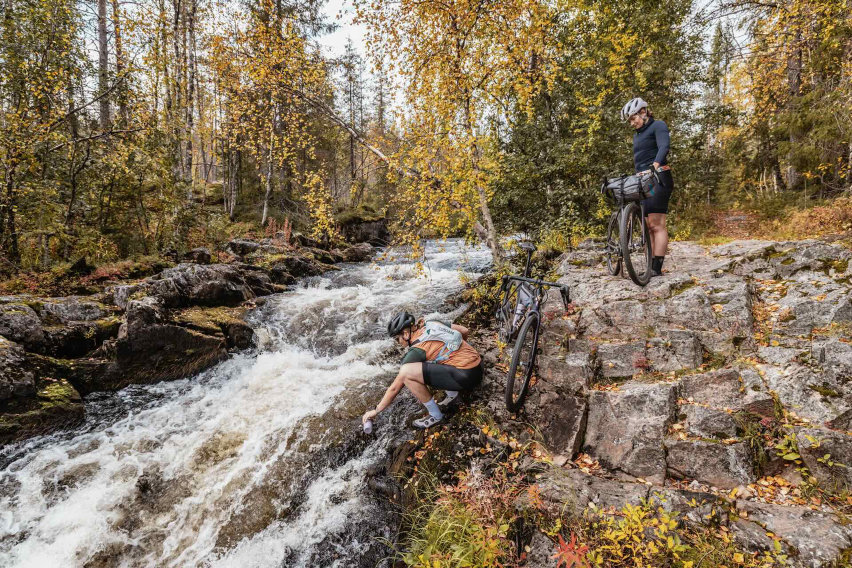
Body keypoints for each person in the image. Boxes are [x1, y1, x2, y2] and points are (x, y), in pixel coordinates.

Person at [362, 312, 483, 429]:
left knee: (406, 372)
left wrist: (376, 410)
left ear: (406, 334)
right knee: (436, 358)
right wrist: (458, 352)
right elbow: (463, 331)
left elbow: (395, 388)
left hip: (467, 377)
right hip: (478, 366)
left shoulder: (417, 350)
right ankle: (453, 394)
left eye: (397, 339)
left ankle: (436, 416)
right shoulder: (430, 323)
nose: (398, 343)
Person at [621, 97, 674, 277]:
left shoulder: (658, 125)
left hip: (659, 178)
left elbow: (664, 146)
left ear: (643, 112)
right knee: (647, 226)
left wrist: (654, 166)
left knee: (656, 224)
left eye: (633, 118)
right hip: (643, 182)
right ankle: (650, 264)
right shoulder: (637, 135)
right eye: (629, 120)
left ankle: (656, 267)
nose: (632, 123)